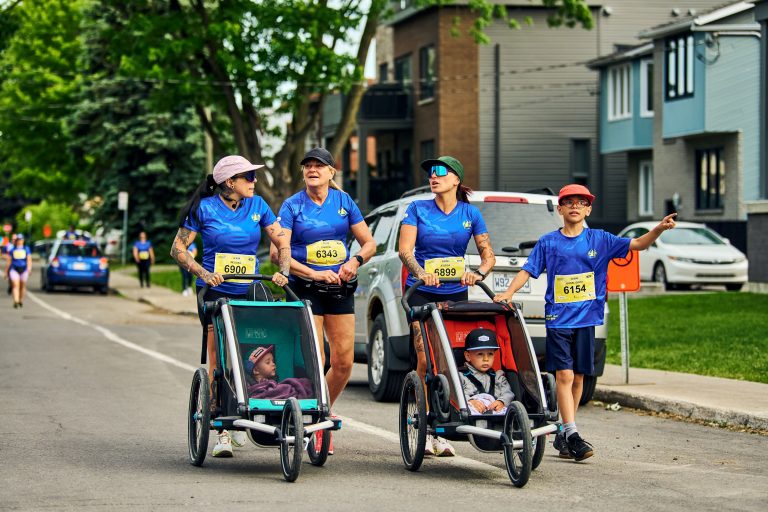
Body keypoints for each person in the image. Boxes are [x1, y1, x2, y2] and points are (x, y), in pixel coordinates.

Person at [493, 184, 677, 462]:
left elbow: (638, 244)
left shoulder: (599, 239)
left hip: (587, 320)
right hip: (558, 320)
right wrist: (508, 293)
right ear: (560, 209)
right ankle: (573, 433)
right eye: (569, 202)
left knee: (578, 377)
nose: (575, 206)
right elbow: (528, 270)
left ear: (588, 209)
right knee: (564, 376)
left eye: (581, 202)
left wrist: (659, 229)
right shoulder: (548, 242)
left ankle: (566, 432)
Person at [170, 154, 291, 459]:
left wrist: (284, 269)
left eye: (253, 176)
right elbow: (178, 248)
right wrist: (204, 274)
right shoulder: (205, 208)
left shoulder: (258, 205)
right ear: (229, 182)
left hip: (248, 291)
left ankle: (253, 412)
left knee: (257, 355)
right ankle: (222, 431)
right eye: (248, 177)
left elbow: (282, 241)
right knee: (221, 356)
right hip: (215, 295)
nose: (254, 182)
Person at [271, 147, 376, 455]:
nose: (312, 169)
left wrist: (354, 262)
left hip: (340, 287)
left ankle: (322, 409)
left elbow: (369, 242)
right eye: (308, 166)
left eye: (319, 165)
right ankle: (314, 420)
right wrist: (313, 274)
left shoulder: (344, 203)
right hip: (304, 286)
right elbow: (279, 253)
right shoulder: (292, 206)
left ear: (332, 173)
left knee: (343, 361)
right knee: (317, 358)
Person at [398, 155, 496, 456]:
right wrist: (420, 271)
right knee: (426, 359)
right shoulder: (417, 209)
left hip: (455, 294)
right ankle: (424, 427)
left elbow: (487, 255)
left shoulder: (470, 213)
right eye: (430, 172)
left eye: (440, 171)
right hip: (422, 292)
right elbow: (405, 250)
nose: (433, 176)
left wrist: (477, 274)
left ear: (456, 180)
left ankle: (445, 426)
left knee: (451, 360)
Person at [458, 328, 514, 415]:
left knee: (511, 409)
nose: (486, 359)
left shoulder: (498, 377)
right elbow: (455, 395)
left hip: (495, 414)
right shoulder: (461, 377)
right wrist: (470, 401)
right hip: (472, 415)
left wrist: (501, 402)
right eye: (480, 354)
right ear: (468, 356)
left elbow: (508, 393)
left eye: (490, 354)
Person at [245, 345, 314, 399]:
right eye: (268, 362)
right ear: (256, 370)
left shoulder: (275, 383)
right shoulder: (251, 388)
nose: (273, 364)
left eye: (273, 361)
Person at [4, 234, 32, 309]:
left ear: (23, 240)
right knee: (15, 285)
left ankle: (20, 300)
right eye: (18, 240)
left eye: (20, 240)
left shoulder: (26, 249)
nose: (19, 241)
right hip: (14, 269)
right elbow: (9, 261)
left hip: (24, 269)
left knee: (22, 286)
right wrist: (6, 271)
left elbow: (29, 259)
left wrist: (29, 268)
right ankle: (15, 300)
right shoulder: (13, 249)